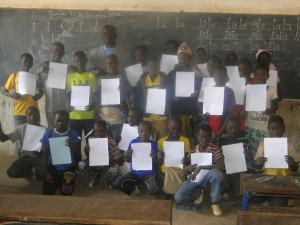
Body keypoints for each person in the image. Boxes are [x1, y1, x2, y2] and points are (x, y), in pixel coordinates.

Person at [175, 124, 224, 216]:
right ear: (197, 136)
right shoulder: (193, 151)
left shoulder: (215, 149)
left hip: (209, 179)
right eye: (202, 137)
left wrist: (201, 167)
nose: (204, 140)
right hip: (195, 179)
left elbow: (220, 166)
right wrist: (187, 167)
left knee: (217, 174)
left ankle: (214, 202)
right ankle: (198, 193)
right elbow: (184, 168)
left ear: (211, 136)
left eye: (207, 137)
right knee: (178, 197)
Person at [2, 53, 43, 156]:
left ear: (32, 63)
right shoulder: (14, 76)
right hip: (19, 113)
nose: (27, 63)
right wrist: (12, 96)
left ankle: (32, 163)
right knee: (20, 140)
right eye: (25, 61)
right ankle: (20, 161)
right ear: (20, 62)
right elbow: (3, 90)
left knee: (33, 139)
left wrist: (38, 96)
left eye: (30, 61)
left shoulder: (34, 77)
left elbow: (41, 91)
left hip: (34, 113)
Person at [254, 115, 299, 206]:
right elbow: (257, 165)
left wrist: (293, 163)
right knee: (256, 197)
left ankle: (282, 199)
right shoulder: (263, 143)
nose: (276, 131)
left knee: (278, 202)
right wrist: (258, 163)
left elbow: (295, 168)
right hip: (267, 178)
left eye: (279, 128)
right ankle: (271, 199)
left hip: (284, 179)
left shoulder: (289, 144)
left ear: (284, 129)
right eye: (272, 129)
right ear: (268, 129)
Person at [115, 121, 163, 196]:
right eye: (141, 131)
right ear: (138, 132)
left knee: (154, 190)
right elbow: (128, 160)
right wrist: (125, 154)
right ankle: (134, 188)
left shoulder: (153, 144)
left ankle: (141, 187)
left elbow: (157, 164)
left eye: (147, 131)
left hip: (149, 174)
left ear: (151, 132)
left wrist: (154, 158)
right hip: (134, 173)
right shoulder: (133, 143)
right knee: (117, 183)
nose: (144, 134)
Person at [245, 65, 279, 171]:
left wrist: (271, 110)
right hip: (250, 126)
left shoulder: (271, 90)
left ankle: (263, 173)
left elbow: (276, 105)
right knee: (250, 151)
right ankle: (251, 174)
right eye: (257, 74)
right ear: (254, 76)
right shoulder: (248, 88)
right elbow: (245, 104)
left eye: (263, 74)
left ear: (267, 76)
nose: (260, 76)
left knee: (264, 152)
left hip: (265, 127)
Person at [167, 42, 203, 140]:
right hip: (177, 111)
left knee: (191, 139)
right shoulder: (172, 74)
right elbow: (168, 93)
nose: (183, 60)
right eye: (180, 58)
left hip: (192, 111)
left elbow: (202, 91)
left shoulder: (196, 74)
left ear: (190, 59)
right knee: (177, 138)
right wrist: (172, 98)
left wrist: (196, 95)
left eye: (185, 58)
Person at [40, 110, 80, 195]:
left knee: (66, 192)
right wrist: (45, 171)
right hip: (53, 167)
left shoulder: (73, 134)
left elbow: (78, 155)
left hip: (68, 167)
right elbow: (45, 155)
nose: (60, 123)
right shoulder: (48, 134)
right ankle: (58, 179)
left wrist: (73, 146)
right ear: (54, 122)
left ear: (68, 122)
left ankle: (64, 179)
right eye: (58, 121)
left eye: (64, 121)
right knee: (47, 191)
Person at [66, 51, 96, 161]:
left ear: (86, 61)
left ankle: (90, 163)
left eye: (82, 60)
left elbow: (95, 94)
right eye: (77, 61)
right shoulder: (70, 77)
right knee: (76, 141)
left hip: (88, 116)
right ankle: (77, 163)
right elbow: (69, 94)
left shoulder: (91, 76)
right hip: (74, 117)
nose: (80, 63)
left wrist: (94, 104)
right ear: (74, 62)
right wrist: (68, 105)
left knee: (90, 141)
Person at [0, 107, 44, 180]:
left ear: (39, 116)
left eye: (35, 115)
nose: (32, 117)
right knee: (12, 172)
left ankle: (38, 173)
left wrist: (41, 152)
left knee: (41, 175)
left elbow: (48, 149)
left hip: (39, 158)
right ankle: (30, 173)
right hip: (26, 157)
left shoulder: (44, 130)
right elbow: (3, 138)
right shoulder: (21, 128)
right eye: (29, 115)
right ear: (26, 117)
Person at [94, 54, 131, 140]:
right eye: (109, 63)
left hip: (119, 116)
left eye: (114, 63)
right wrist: (96, 91)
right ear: (106, 66)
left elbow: (130, 98)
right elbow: (96, 101)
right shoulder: (100, 79)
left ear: (118, 65)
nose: (112, 66)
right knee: (106, 142)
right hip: (104, 116)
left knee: (118, 140)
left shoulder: (123, 79)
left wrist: (126, 89)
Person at [134, 56, 169, 140]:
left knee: (162, 140)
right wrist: (142, 107)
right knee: (148, 141)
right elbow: (138, 98)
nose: (153, 69)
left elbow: (169, 95)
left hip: (161, 117)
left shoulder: (165, 80)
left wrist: (167, 107)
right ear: (147, 68)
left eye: (156, 66)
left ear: (159, 67)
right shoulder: (142, 82)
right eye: (151, 67)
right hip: (147, 117)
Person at [81, 120, 123, 187]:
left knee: (115, 169)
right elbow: (88, 156)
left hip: (107, 165)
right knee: (81, 164)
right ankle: (94, 176)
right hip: (94, 165)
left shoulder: (111, 141)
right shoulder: (91, 140)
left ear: (105, 131)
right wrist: (86, 149)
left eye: (101, 131)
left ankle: (107, 180)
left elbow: (118, 158)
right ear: (93, 131)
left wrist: (109, 162)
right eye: (96, 131)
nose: (98, 134)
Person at [215, 115, 249, 198]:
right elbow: (215, 139)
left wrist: (246, 154)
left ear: (240, 127)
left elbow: (248, 157)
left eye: (236, 128)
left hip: (239, 170)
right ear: (226, 127)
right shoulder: (221, 141)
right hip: (226, 171)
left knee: (239, 193)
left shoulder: (244, 140)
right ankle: (226, 189)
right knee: (223, 185)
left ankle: (230, 192)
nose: (233, 130)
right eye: (230, 128)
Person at [37, 42, 68, 128]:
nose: (58, 53)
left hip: (64, 107)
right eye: (56, 50)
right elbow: (39, 86)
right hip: (51, 107)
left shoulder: (66, 68)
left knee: (64, 132)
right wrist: (38, 72)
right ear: (51, 51)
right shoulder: (44, 66)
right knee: (52, 132)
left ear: (63, 53)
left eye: (61, 51)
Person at [157, 116, 190, 195]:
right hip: (166, 170)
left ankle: (173, 191)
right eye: (173, 128)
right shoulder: (161, 142)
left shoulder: (185, 140)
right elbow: (159, 161)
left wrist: (186, 160)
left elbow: (187, 158)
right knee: (160, 176)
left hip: (179, 170)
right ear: (168, 128)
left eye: (178, 129)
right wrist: (159, 156)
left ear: (181, 129)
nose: (176, 131)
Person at [208, 65, 236, 134]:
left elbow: (231, 114)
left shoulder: (229, 92)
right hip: (210, 125)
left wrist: (222, 129)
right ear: (213, 76)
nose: (218, 78)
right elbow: (206, 111)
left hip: (224, 124)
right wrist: (205, 114)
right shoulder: (209, 91)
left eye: (221, 75)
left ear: (226, 76)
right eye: (216, 75)